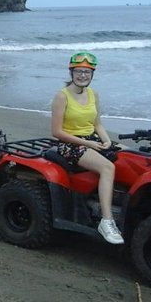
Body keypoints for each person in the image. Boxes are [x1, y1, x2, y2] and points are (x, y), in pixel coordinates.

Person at [51, 51, 123, 244]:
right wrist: (88, 143)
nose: (83, 75)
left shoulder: (94, 94)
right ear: (71, 72)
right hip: (69, 144)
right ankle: (107, 221)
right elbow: (56, 132)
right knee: (108, 167)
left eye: (87, 72)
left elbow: (97, 123)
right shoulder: (62, 96)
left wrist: (106, 140)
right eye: (79, 71)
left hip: (91, 138)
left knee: (128, 156)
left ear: (92, 74)